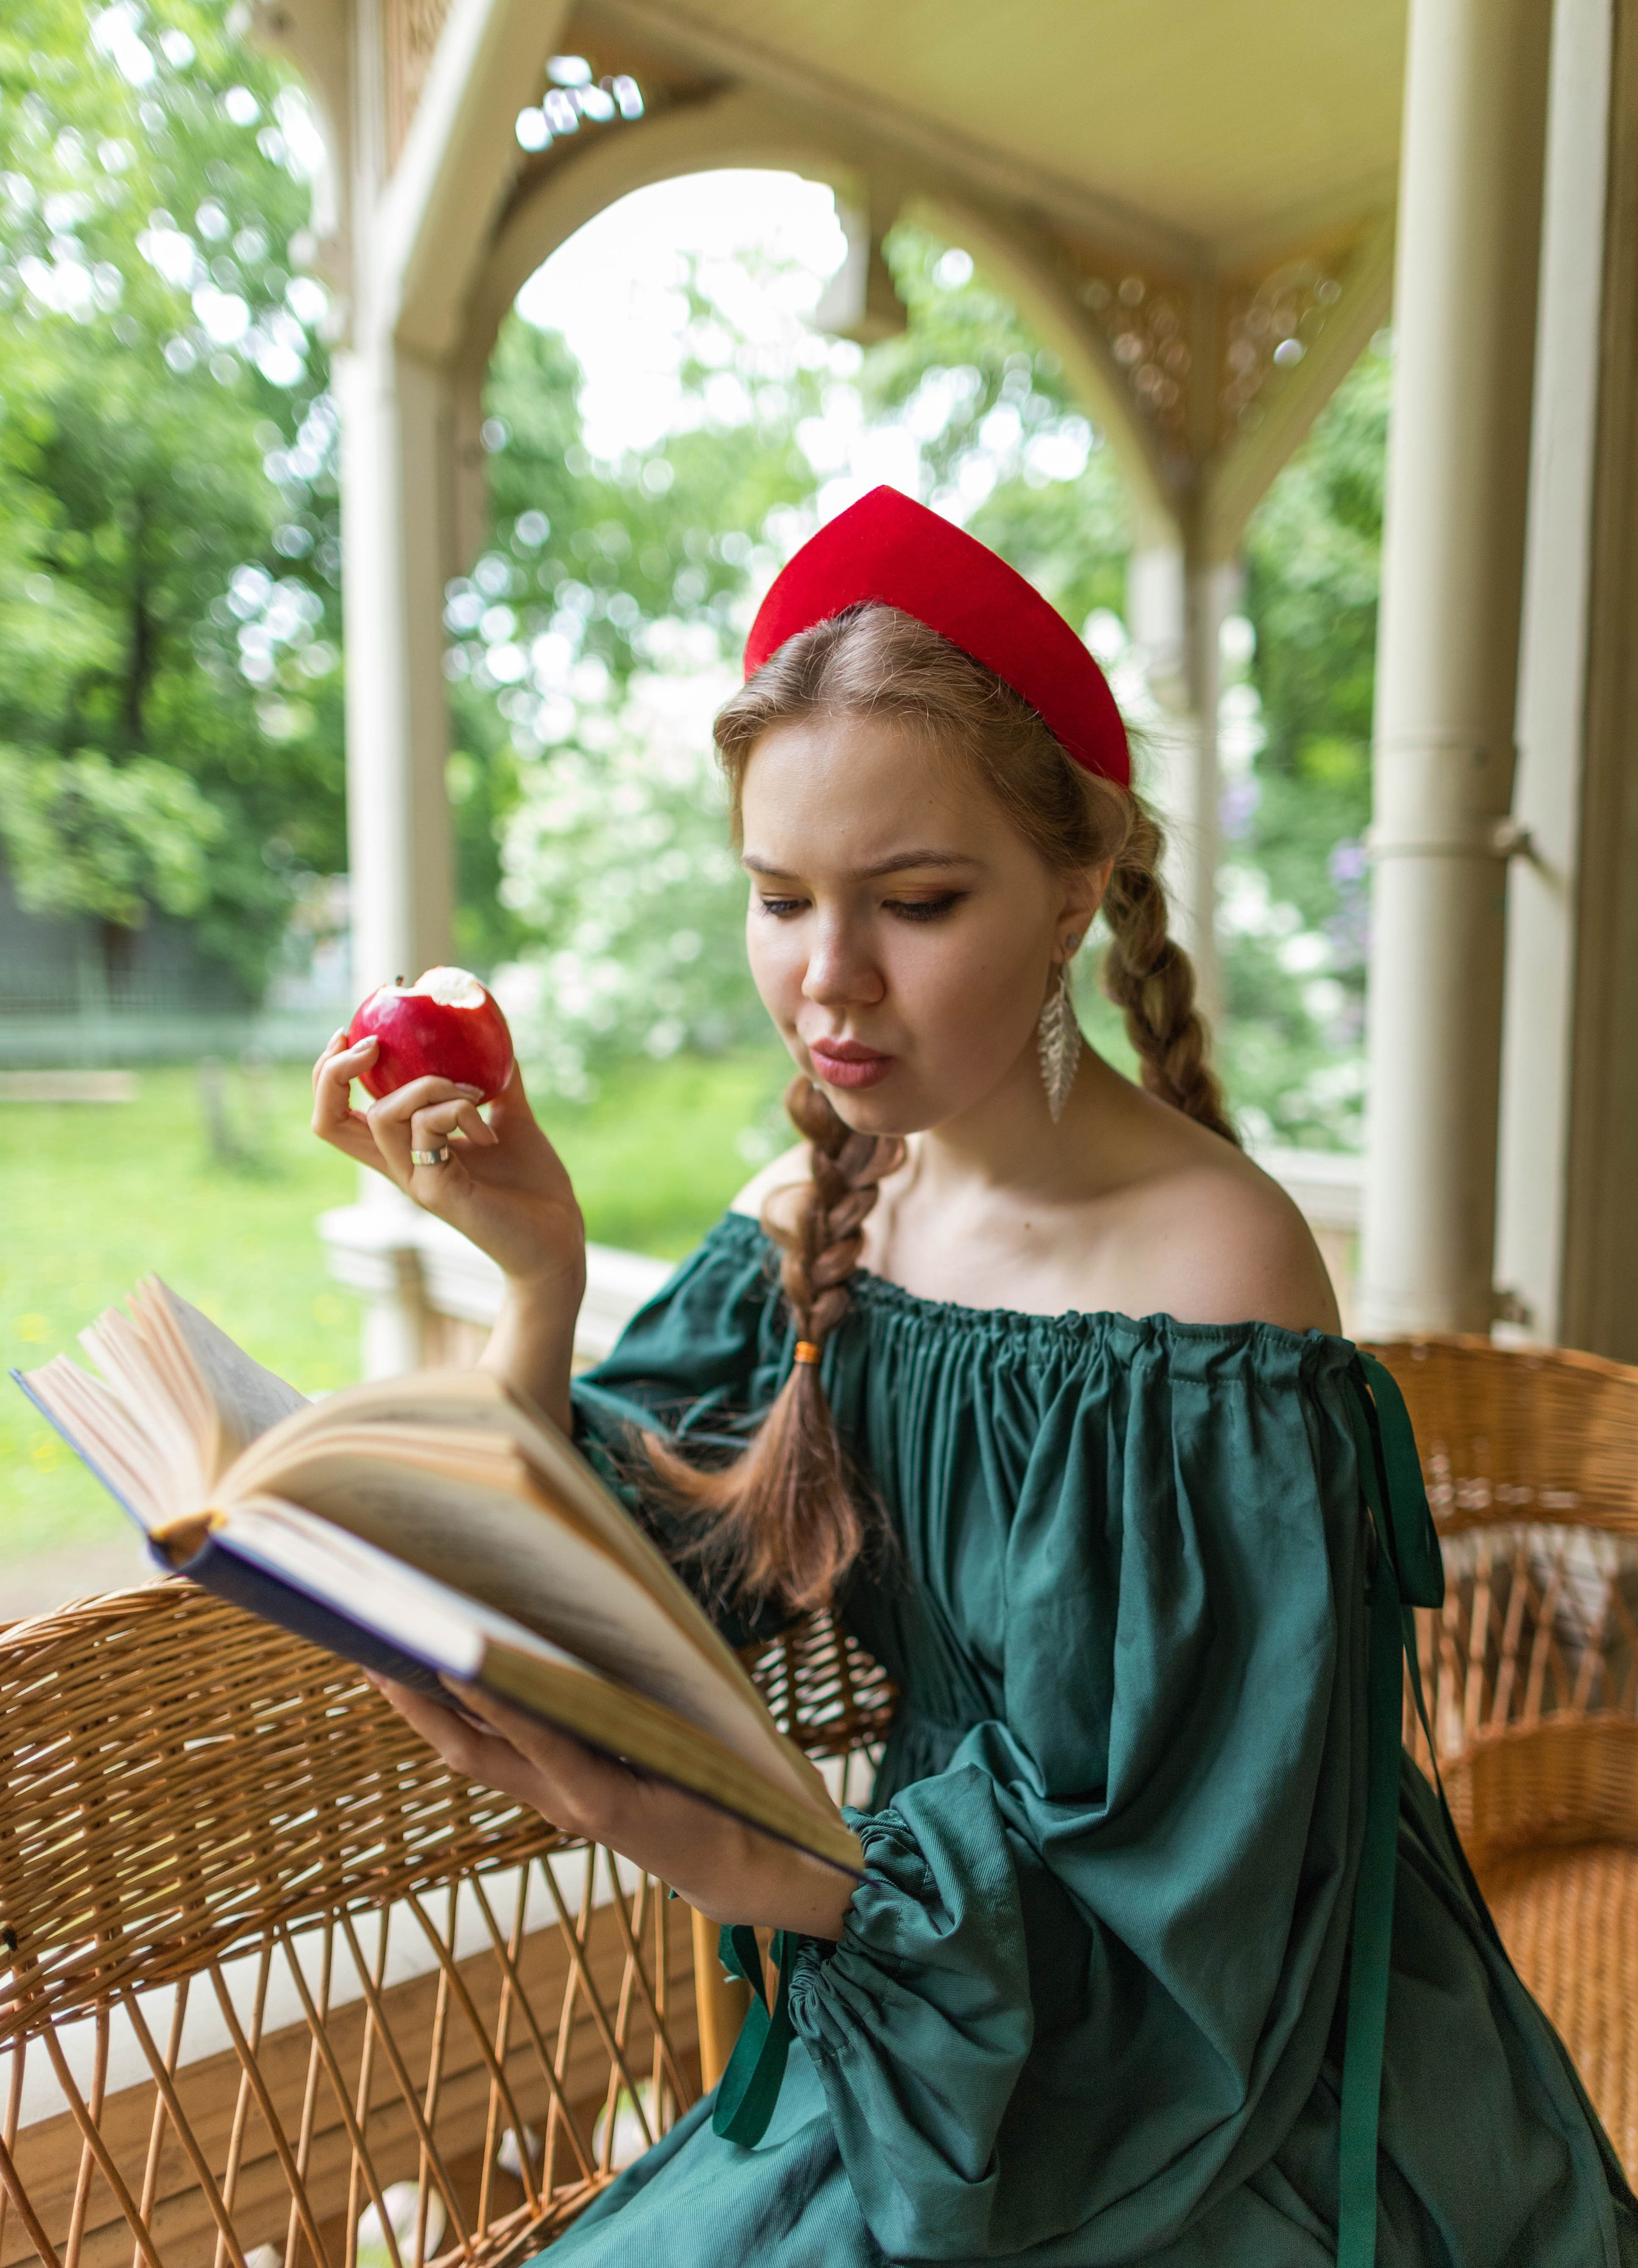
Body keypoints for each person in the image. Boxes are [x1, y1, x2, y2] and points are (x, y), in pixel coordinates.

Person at [312, 488, 1635, 2265]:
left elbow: (1191, 1881)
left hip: (1201, 2054)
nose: (828, 982)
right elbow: (627, 1590)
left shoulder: (1216, 1283)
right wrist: (537, 1273)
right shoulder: (813, 1220)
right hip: (919, 1980)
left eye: (917, 902)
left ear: (1078, 888)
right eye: (779, 899)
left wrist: (742, 1858)